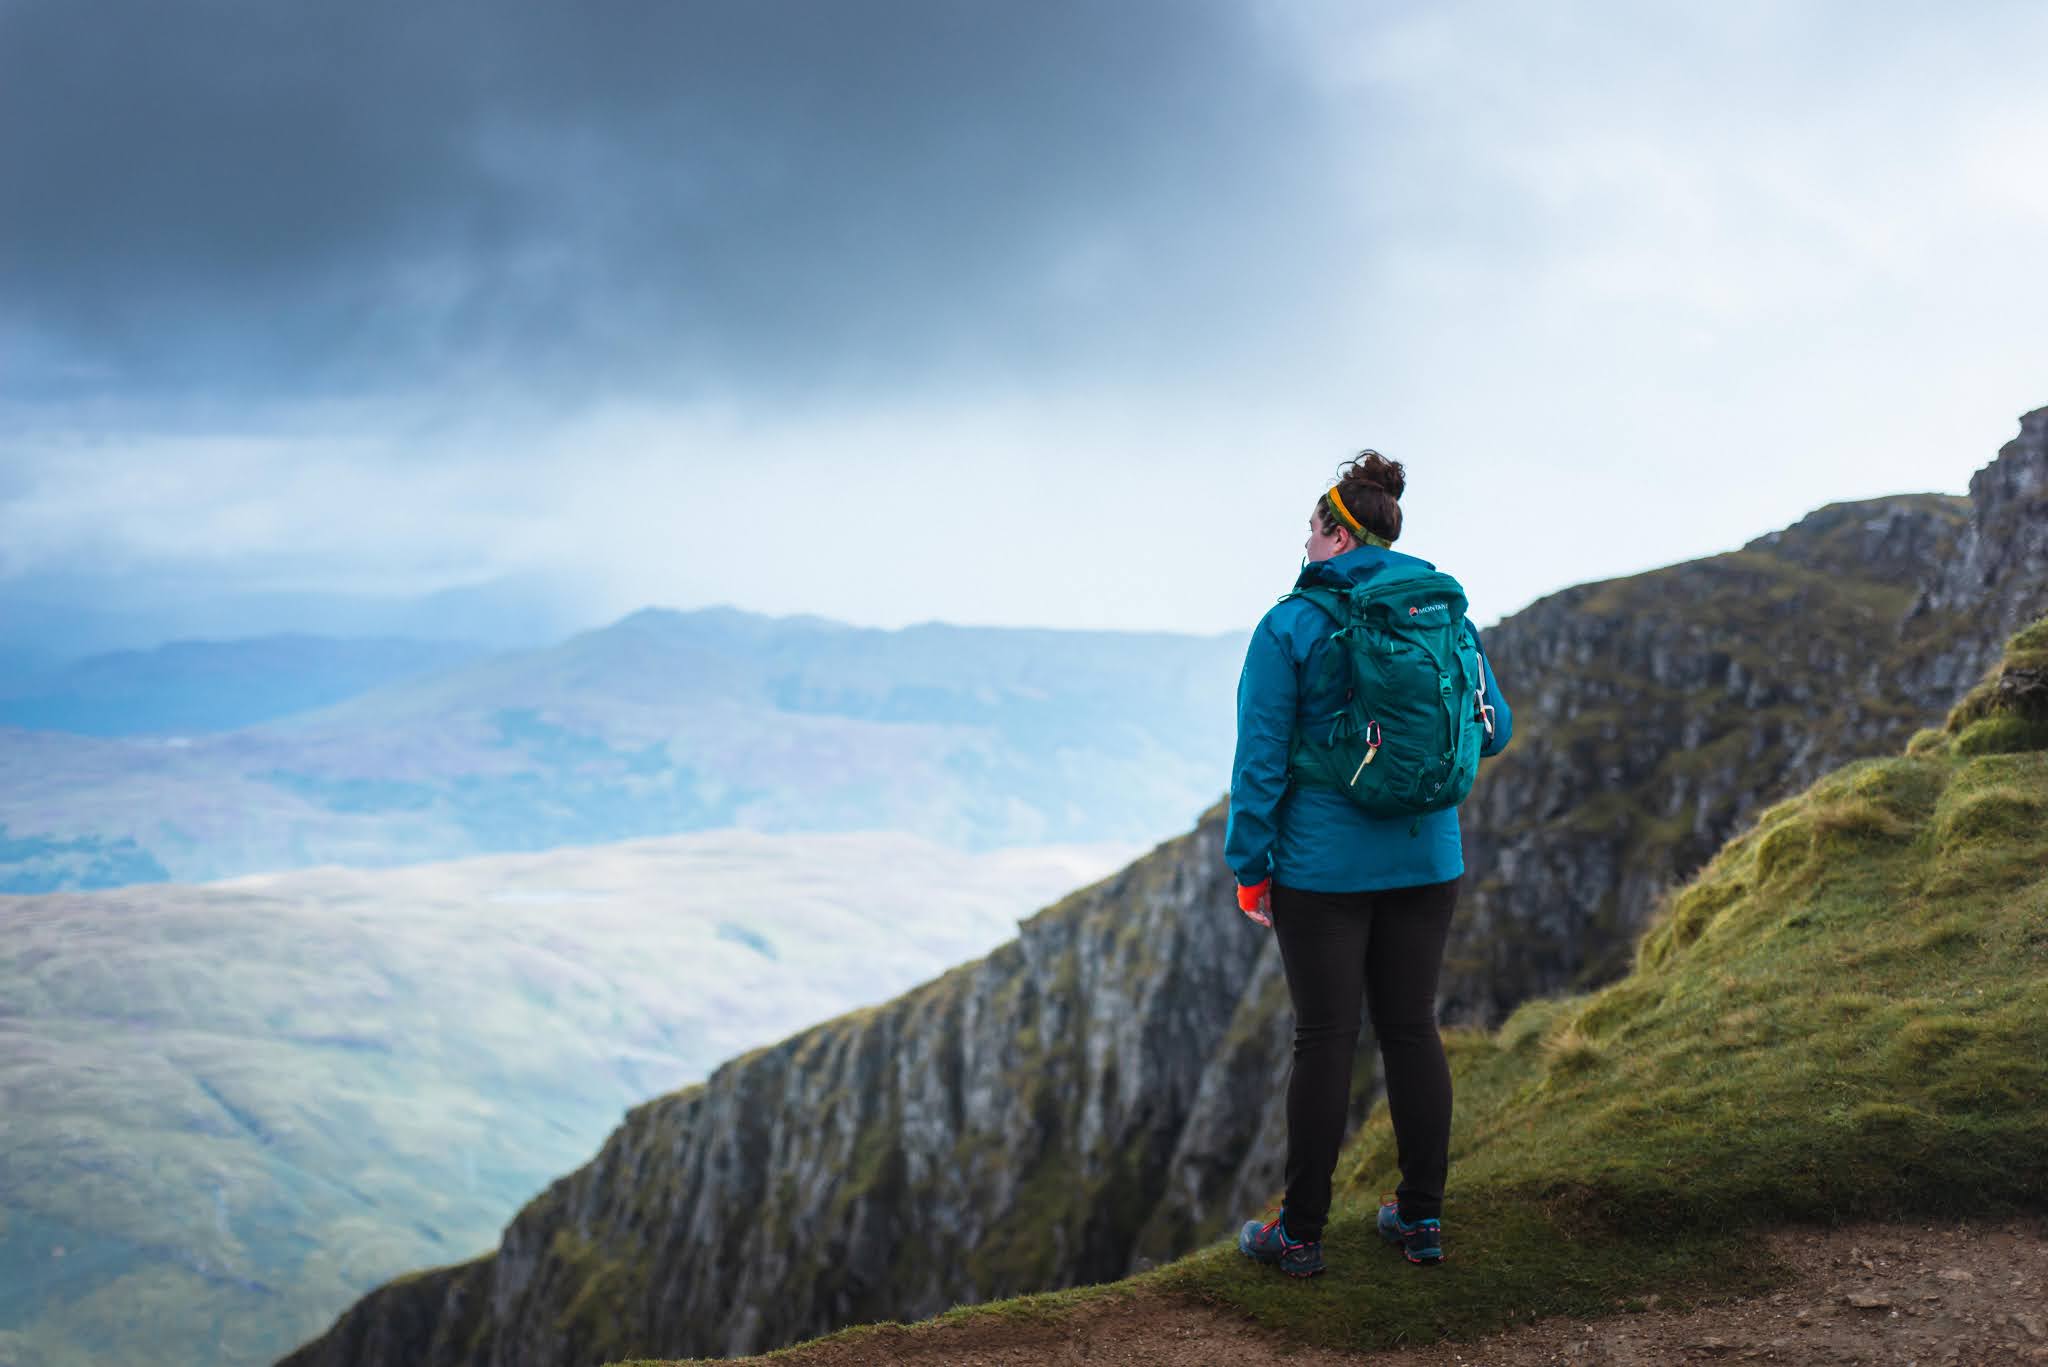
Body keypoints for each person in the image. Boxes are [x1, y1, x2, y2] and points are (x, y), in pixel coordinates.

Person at [1229, 450, 1514, 1278]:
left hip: (1324, 870)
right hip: (1430, 860)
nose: (1305, 541)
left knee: (1324, 1039)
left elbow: (1260, 761)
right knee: (1412, 1028)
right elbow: (1492, 730)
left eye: (1312, 527)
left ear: (1334, 532)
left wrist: (1251, 865)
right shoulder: (1444, 615)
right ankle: (1421, 1220)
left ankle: (1301, 1234)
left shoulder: (1290, 624)